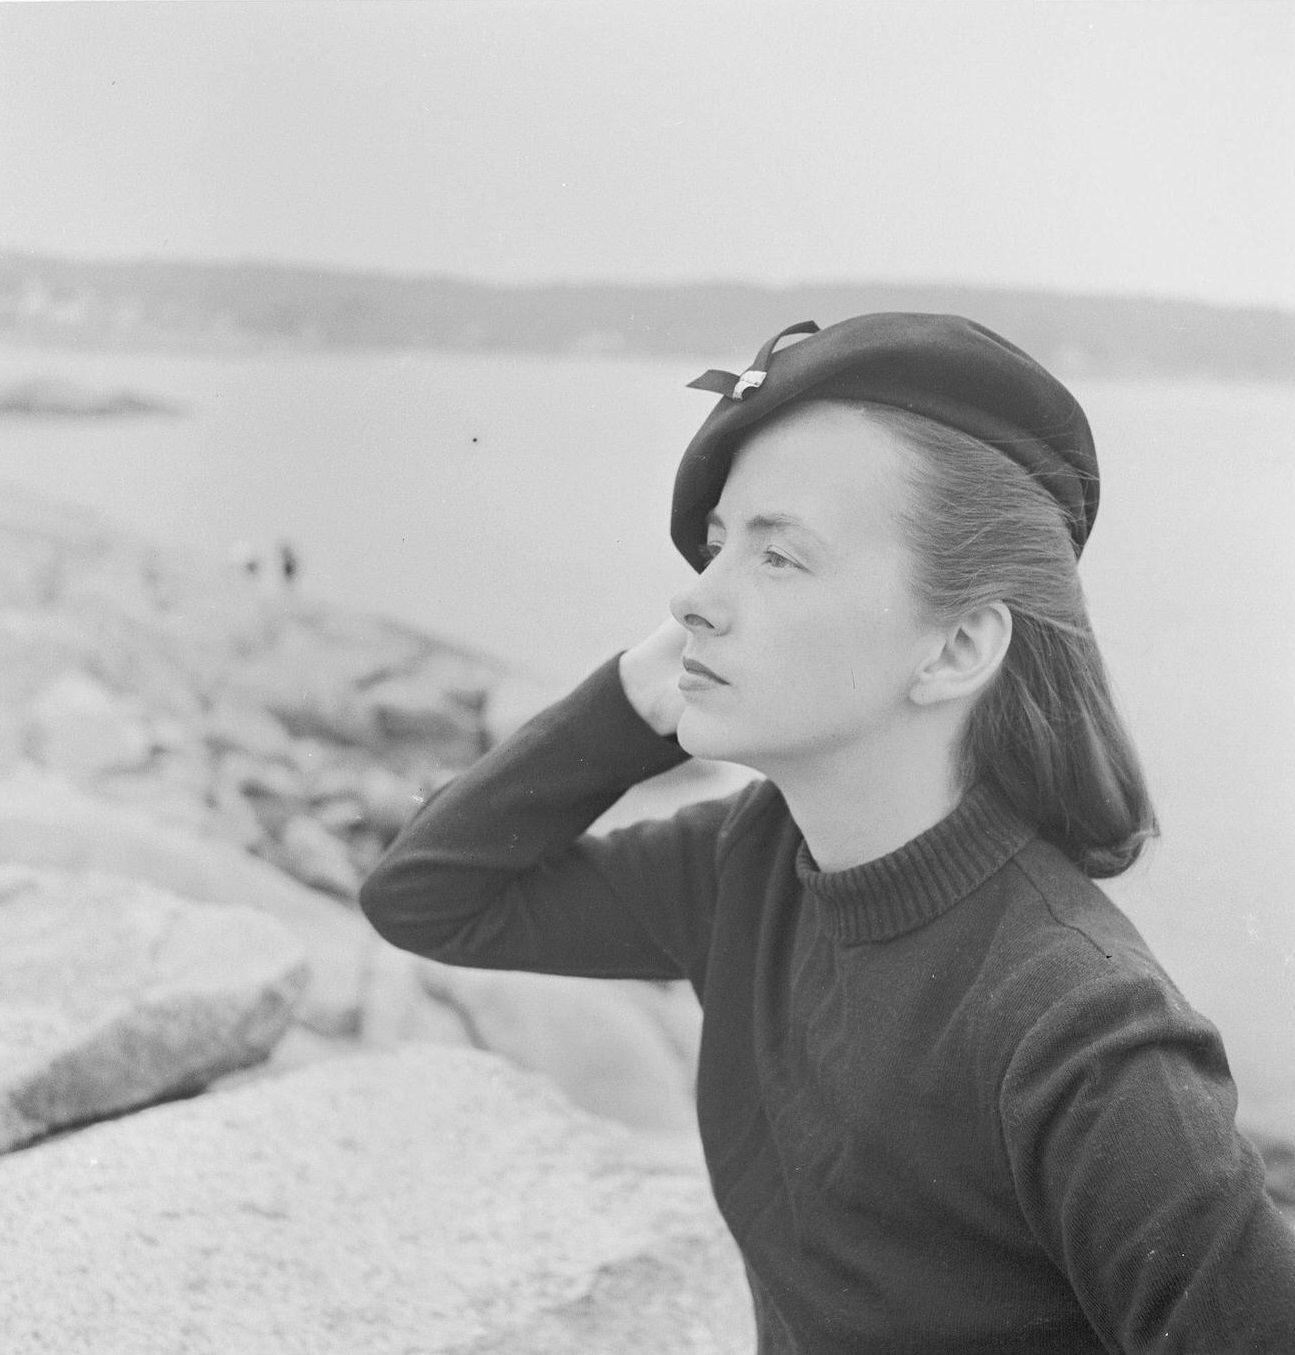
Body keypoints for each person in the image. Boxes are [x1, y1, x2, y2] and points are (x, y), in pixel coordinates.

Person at [360, 314, 1295, 1353]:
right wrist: (631, 699)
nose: (692, 597)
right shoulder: (745, 868)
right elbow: (426, 896)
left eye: (780, 556)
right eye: (716, 546)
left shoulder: (1080, 1032)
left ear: (955, 646)